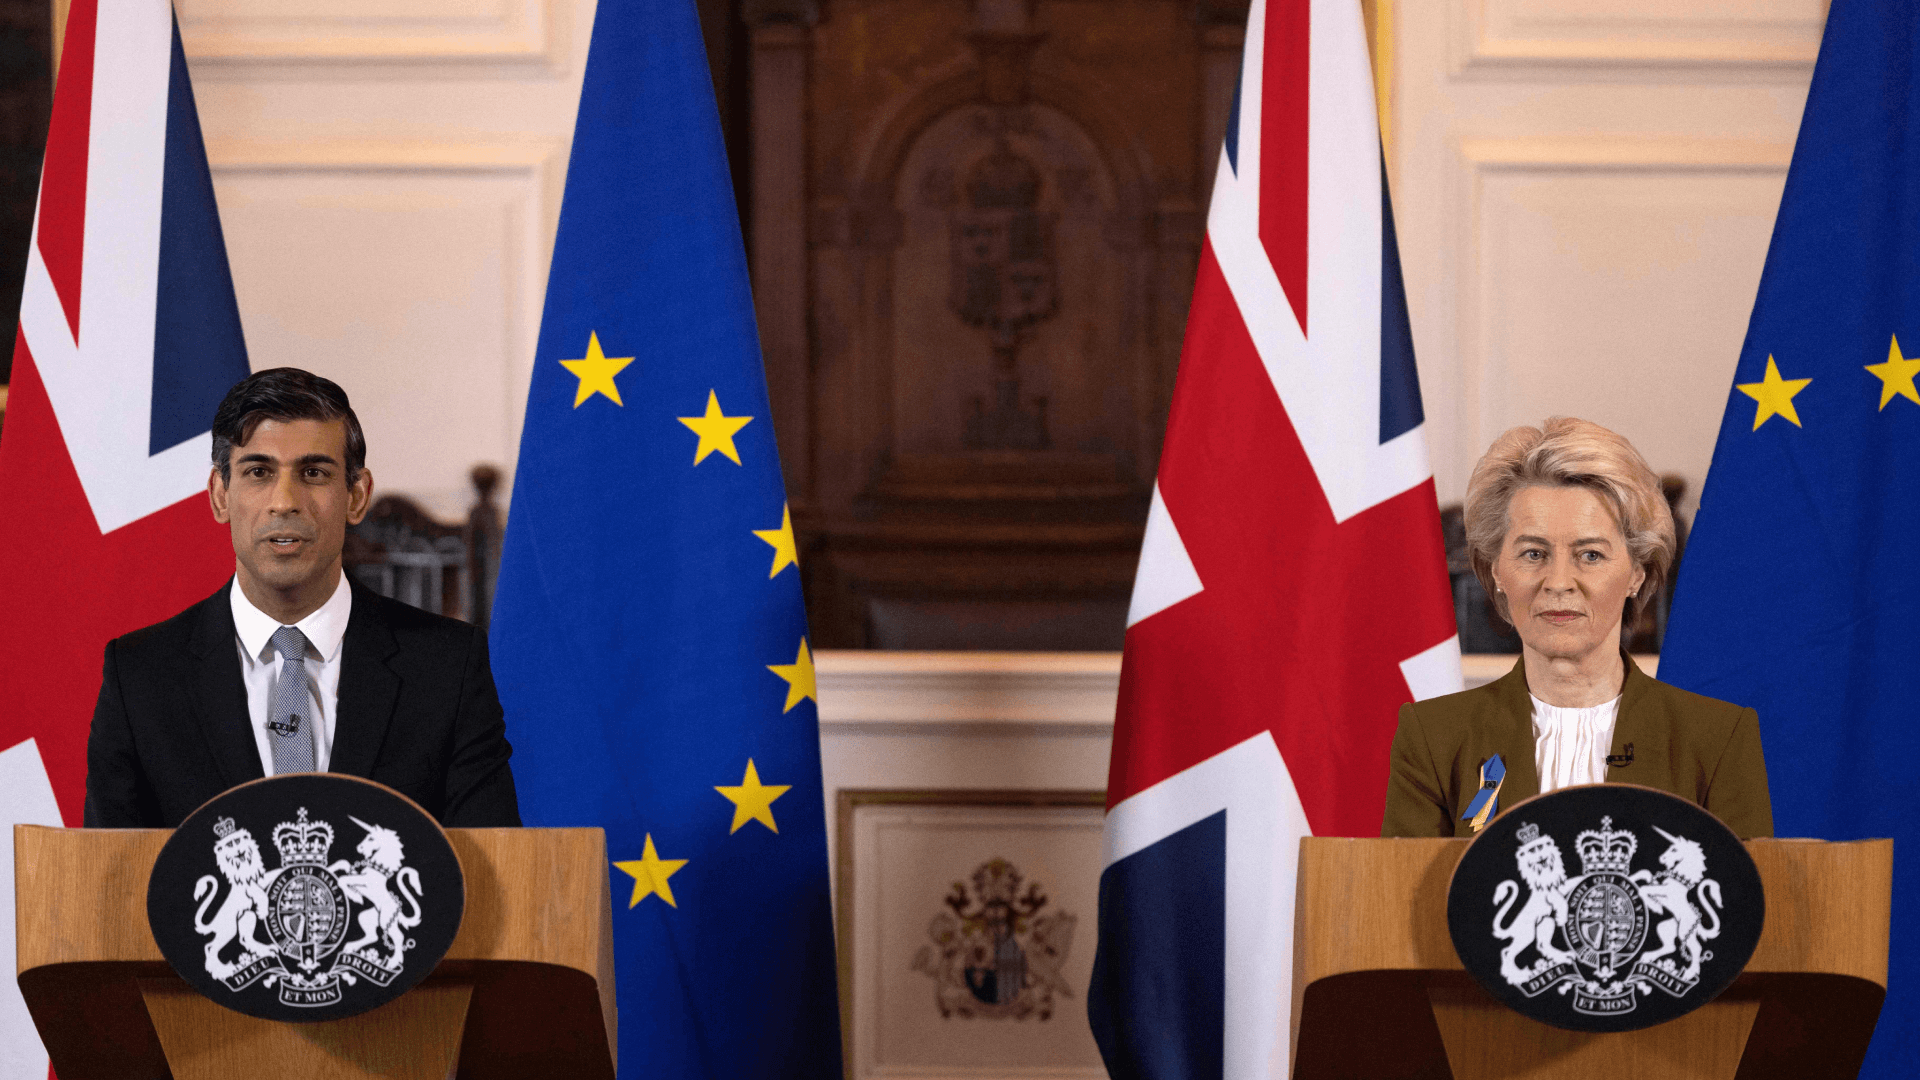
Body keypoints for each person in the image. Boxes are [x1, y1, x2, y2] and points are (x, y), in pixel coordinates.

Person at [83, 368, 521, 828]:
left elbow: (493, 868)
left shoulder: (448, 666)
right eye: (258, 472)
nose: (285, 501)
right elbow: (113, 883)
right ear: (220, 496)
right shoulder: (140, 677)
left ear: (356, 496)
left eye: (313, 472)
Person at [1382, 417, 1772, 838]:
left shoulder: (1717, 739)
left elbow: (1743, 901)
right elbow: (1401, 900)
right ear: (1496, 570)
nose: (1558, 582)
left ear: (1637, 574)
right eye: (1533, 553)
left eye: (1589, 556)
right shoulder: (1433, 738)